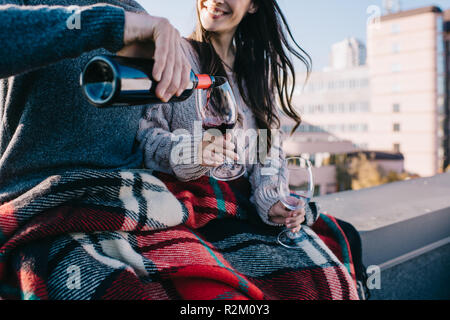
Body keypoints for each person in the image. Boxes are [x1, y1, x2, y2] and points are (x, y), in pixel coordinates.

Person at [138, 0, 312, 232]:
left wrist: (272, 200)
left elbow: (268, 151)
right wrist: (190, 153)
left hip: (242, 209)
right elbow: (145, 140)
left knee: (344, 241)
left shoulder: (257, 73)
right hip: (185, 211)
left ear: (253, 6)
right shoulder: (175, 54)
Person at [0, 0, 191, 203]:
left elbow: (147, 135)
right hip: (32, 196)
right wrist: (112, 25)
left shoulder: (145, 19)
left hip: (128, 194)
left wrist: (193, 151)